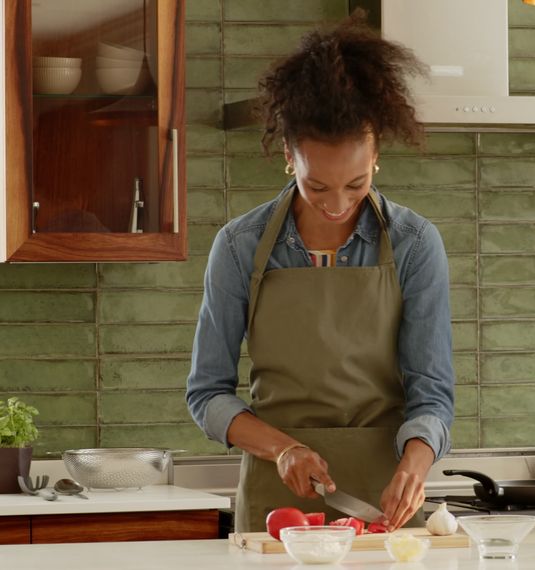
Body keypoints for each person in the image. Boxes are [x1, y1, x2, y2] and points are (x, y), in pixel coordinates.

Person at [185, 13, 454, 532]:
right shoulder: (240, 246)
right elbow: (206, 394)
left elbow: (433, 393)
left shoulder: (415, 243)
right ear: (289, 157)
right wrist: (283, 449)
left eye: (355, 185)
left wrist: (416, 465)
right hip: (277, 491)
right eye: (318, 187)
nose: (337, 205)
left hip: (385, 497)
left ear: (376, 155)